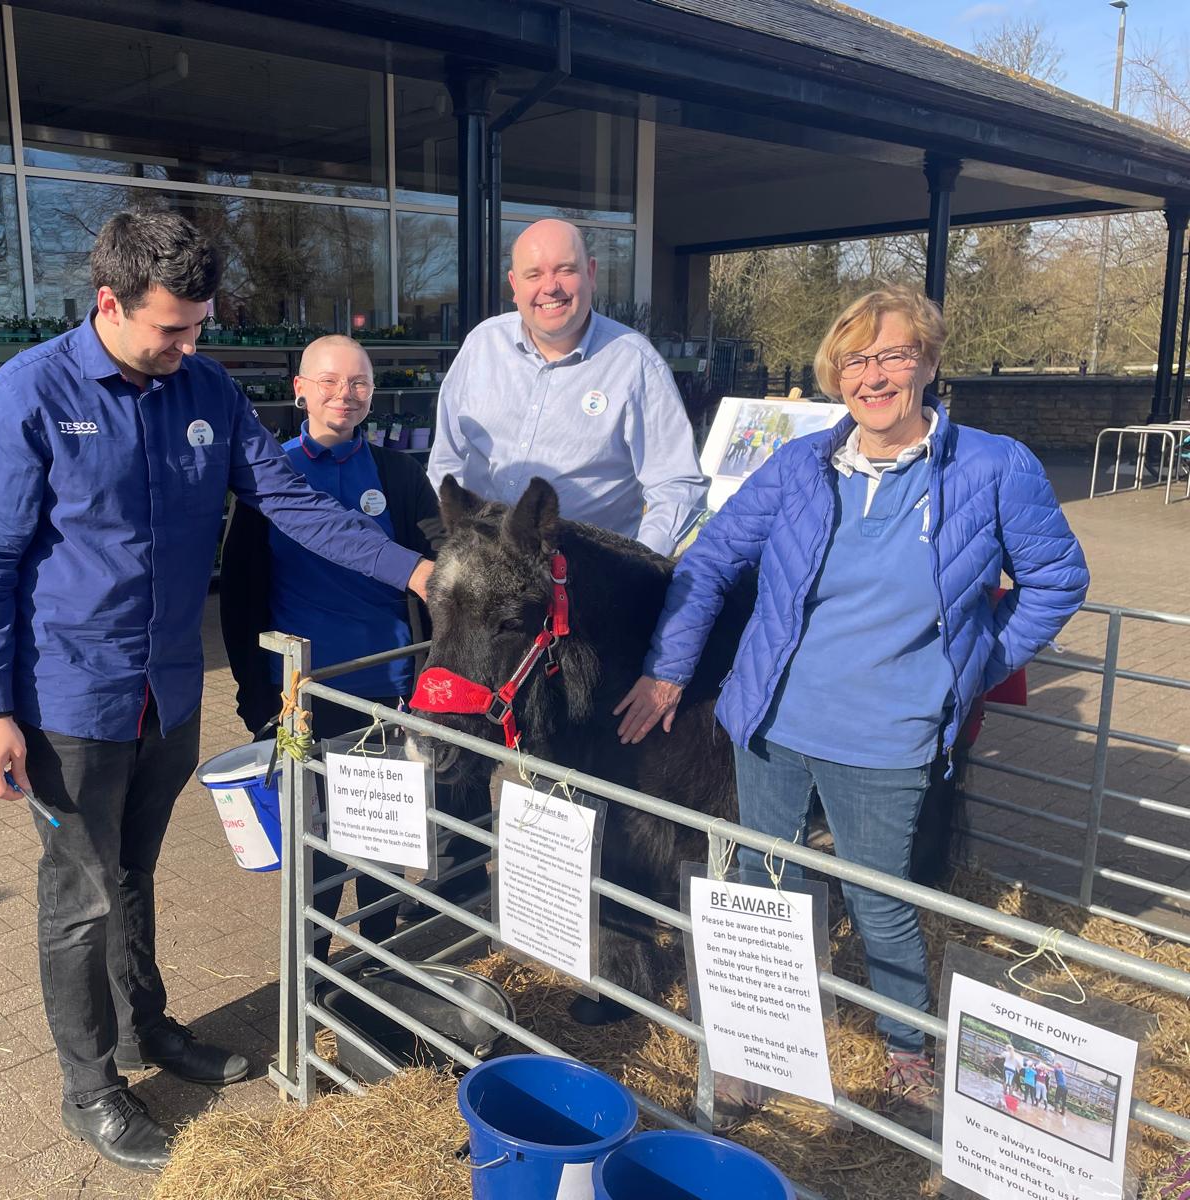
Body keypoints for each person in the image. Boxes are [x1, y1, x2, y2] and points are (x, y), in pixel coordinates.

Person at [0, 212, 434, 1173]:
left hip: (165, 696)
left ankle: (146, 1030)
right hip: (66, 702)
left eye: (199, 325)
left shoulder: (204, 389)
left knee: (132, 874)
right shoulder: (29, 399)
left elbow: (294, 505)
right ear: (109, 305)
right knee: (80, 896)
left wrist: (413, 573)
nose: (189, 345)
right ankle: (89, 1087)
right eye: (171, 328)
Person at [615, 283, 1088, 1131]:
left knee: (882, 903)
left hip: (888, 738)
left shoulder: (993, 468)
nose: (874, 376)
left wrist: (970, 667)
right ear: (836, 376)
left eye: (894, 355)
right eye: (856, 360)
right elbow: (713, 557)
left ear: (930, 362)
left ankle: (908, 1049)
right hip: (771, 728)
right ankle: (763, 1051)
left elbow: (1059, 580)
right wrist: (668, 672)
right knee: (769, 889)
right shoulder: (799, 467)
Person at [220, 334, 440, 952]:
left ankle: (377, 961)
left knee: (379, 842)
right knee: (311, 842)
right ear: (299, 390)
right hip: (303, 693)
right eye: (328, 380)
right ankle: (312, 968)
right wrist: (253, 695)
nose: (344, 393)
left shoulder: (398, 474)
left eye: (358, 382)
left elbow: (440, 570)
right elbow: (239, 600)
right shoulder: (269, 480)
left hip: (387, 691)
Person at [425, 218, 707, 558]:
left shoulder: (634, 363)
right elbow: (446, 460)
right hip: (483, 566)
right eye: (534, 275)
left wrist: (637, 565)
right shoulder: (481, 346)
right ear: (514, 284)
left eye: (565, 270)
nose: (550, 287)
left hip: (580, 576)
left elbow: (676, 484)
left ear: (590, 273)